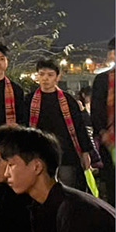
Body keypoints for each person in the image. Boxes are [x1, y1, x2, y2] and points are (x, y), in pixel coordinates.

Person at [23, 59, 92, 190]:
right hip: (40, 153)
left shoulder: (68, 100)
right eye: (42, 74)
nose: (45, 78)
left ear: (57, 76)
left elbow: (79, 126)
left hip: (66, 154)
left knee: (68, 191)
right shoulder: (29, 100)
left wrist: (85, 152)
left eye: (50, 75)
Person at [91, 37, 115, 205]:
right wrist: (103, 132)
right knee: (112, 183)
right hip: (110, 142)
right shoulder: (102, 81)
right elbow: (96, 111)